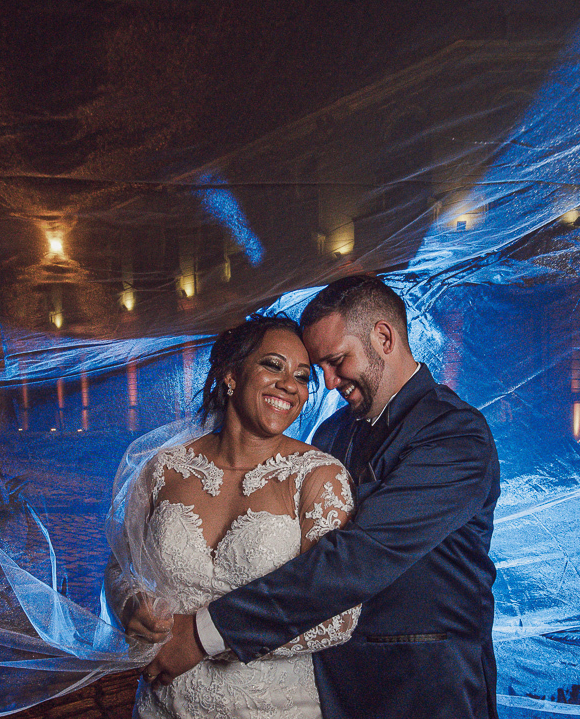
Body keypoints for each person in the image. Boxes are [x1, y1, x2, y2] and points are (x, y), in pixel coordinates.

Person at [144, 274, 501, 718]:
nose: (328, 384)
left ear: (383, 337)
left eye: (336, 361)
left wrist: (203, 634)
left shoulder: (455, 435)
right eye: (321, 370)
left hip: (424, 689)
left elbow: (359, 556)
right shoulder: (331, 434)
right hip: (330, 689)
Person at [107, 315, 362, 718]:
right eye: (273, 365)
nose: (289, 385)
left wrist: (204, 638)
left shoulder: (318, 478)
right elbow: (121, 566)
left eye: (301, 376)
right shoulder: (163, 469)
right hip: (163, 703)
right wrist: (131, 606)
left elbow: (339, 615)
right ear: (230, 374)